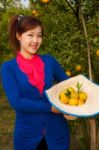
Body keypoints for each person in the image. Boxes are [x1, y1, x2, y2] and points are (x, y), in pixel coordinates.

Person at [1, 14, 75, 150]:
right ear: (18, 35)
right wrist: (50, 108)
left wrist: (74, 104)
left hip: (57, 133)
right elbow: (17, 102)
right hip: (27, 136)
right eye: (30, 35)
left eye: (39, 35)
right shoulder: (8, 68)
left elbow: (69, 85)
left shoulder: (49, 61)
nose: (35, 40)